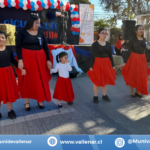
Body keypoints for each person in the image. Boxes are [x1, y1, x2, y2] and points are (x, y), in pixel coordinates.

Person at [16, 14, 52, 111]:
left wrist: (48, 60)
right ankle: (27, 102)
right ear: (31, 22)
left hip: (40, 60)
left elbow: (45, 47)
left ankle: (39, 100)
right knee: (27, 80)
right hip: (27, 59)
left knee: (39, 79)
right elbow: (18, 47)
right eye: (37, 23)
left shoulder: (41, 33)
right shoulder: (22, 32)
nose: (38, 25)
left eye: (39, 23)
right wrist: (20, 60)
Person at [0, 31, 26, 119]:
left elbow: (13, 61)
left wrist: (21, 67)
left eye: (3, 37)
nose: (1, 39)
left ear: (6, 40)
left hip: (8, 74)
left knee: (8, 92)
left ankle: (10, 111)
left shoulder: (9, 50)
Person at [87, 28, 116, 103]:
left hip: (107, 63)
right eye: (102, 33)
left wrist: (113, 65)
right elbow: (92, 56)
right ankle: (95, 96)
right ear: (99, 34)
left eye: (105, 33)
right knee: (97, 80)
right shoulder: (95, 44)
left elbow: (110, 55)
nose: (104, 34)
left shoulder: (108, 44)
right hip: (97, 63)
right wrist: (91, 66)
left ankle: (104, 95)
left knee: (105, 80)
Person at [120, 25, 150, 97]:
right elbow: (128, 51)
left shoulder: (144, 39)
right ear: (136, 31)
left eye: (142, 29)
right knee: (133, 75)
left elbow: (146, 51)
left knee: (141, 75)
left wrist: (148, 60)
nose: (141, 30)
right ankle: (132, 92)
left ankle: (137, 91)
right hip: (134, 58)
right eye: (140, 29)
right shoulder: (131, 40)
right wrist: (125, 61)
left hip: (142, 59)